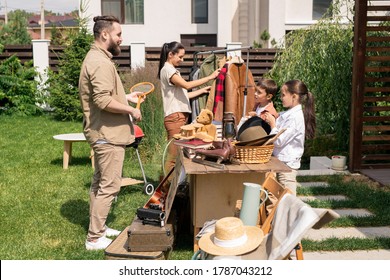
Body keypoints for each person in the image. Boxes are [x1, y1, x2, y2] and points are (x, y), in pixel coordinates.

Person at [78, 15, 142, 250]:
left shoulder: (97, 58)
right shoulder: (100, 62)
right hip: (107, 133)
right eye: (118, 35)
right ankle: (94, 238)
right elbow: (103, 100)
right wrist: (131, 111)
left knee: (99, 183)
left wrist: (125, 96)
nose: (121, 39)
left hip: (102, 131)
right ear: (105, 34)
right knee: (109, 186)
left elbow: (102, 96)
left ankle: (99, 229)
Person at [158, 41, 220, 175]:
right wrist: (210, 76)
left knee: (178, 155)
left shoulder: (172, 70)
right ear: (170, 55)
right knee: (173, 157)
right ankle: (165, 189)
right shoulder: (168, 70)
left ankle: (171, 186)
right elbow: (186, 85)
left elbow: (184, 95)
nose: (182, 60)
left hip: (178, 117)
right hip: (175, 118)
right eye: (180, 57)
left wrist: (202, 90)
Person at [264, 80, 316, 195]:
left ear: (294, 96)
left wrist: (273, 124)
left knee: (288, 203)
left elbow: (279, 141)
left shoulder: (295, 117)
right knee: (279, 203)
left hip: (287, 169)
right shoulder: (289, 114)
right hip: (280, 165)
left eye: (283, 95)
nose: (281, 98)